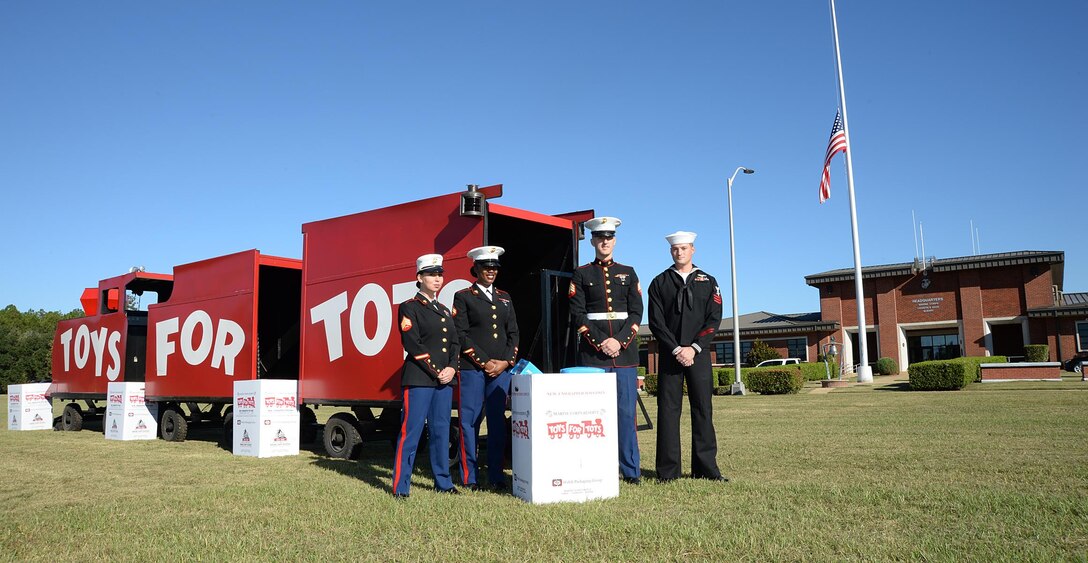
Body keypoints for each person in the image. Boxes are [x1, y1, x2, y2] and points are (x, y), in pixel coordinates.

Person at [647, 231, 727, 483]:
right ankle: (668, 472)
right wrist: (675, 348)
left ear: (693, 250)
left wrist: (694, 347)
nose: (679, 252)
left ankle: (706, 469)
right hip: (671, 355)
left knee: (703, 409)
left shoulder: (708, 281)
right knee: (668, 411)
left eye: (683, 248)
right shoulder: (659, 282)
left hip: (698, 355)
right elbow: (656, 323)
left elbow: (714, 318)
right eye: (675, 249)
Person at [568, 216, 643, 484]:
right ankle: (596, 467)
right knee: (593, 416)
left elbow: (637, 312)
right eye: (600, 237)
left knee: (626, 414)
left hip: (624, 355)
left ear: (615, 240)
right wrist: (601, 342)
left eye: (609, 237)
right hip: (593, 355)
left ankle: (631, 470)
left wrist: (619, 341)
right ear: (592, 241)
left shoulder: (629, 271)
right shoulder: (581, 273)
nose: (605, 242)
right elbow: (578, 314)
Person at [392, 254, 461, 498]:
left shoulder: (443, 309)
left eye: (440, 274)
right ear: (419, 278)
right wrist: (437, 371)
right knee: (411, 432)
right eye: (432, 274)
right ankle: (401, 487)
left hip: (444, 380)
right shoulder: (410, 306)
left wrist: (452, 368)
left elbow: (455, 343)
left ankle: (443, 483)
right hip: (420, 378)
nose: (437, 279)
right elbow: (412, 343)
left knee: (441, 432)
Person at [452, 246, 519, 492]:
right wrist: (485, 362)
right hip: (473, 369)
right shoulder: (464, 296)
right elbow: (461, 333)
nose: (490, 271)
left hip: (501, 371)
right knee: (469, 422)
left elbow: (513, 333)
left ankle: (496, 476)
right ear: (476, 269)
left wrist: (505, 362)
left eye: (494, 268)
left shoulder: (505, 297)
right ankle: (469, 477)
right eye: (486, 267)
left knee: (497, 422)